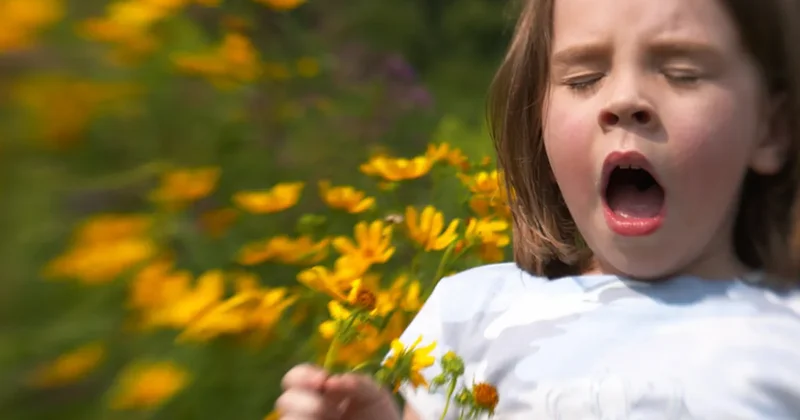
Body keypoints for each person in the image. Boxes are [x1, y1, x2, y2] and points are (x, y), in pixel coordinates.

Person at [276, 0, 800, 418]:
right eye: (583, 78)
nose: (623, 100)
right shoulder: (474, 312)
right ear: (538, 124)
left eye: (682, 72)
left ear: (771, 128)